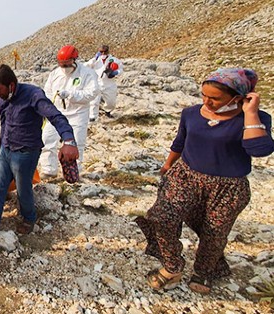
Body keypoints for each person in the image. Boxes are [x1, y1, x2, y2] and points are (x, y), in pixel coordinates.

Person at [135, 68, 273, 294]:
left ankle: (204, 271)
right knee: (161, 217)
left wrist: (249, 113)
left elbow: (259, 149)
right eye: (204, 96)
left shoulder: (256, 118)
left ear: (237, 97)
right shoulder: (191, 113)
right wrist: (169, 164)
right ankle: (172, 265)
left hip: (228, 187)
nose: (207, 102)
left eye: (215, 98)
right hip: (186, 176)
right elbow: (180, 141)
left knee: (214, 232)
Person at [0, 64, 79, 241]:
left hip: (26, 153)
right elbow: (4, 124)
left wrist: (68, 140)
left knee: (23, 189)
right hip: (6, 151)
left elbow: (56, 117)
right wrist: (1, 147)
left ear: (11, 84)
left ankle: (29, 218)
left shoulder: (34, 95)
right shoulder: (2, 99)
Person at [39, 45, 99, 179]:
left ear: (74, 60)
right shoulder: (54, 74)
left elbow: (92, 92)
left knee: (76, 142)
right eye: (61, 64)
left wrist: (72, 94)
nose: (64, 67)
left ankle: (73, 172)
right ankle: (49, 169)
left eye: (67, 64)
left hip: (77, 113)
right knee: (47, 139)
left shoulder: (87, 73)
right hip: (57, 113)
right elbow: (47, 92)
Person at [84, 44, 123, 121]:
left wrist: (116, 72)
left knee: (111, 101)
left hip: (109, 83)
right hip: (97, 82)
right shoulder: (95, 60)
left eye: (105, 51)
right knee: (94, 101)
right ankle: (93, 116)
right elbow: (85, 66)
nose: (103, 54)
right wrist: (94, 59)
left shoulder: (114, 60)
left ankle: (107, 111)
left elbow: (121, 69)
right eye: (101, 52)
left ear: (108, 51)